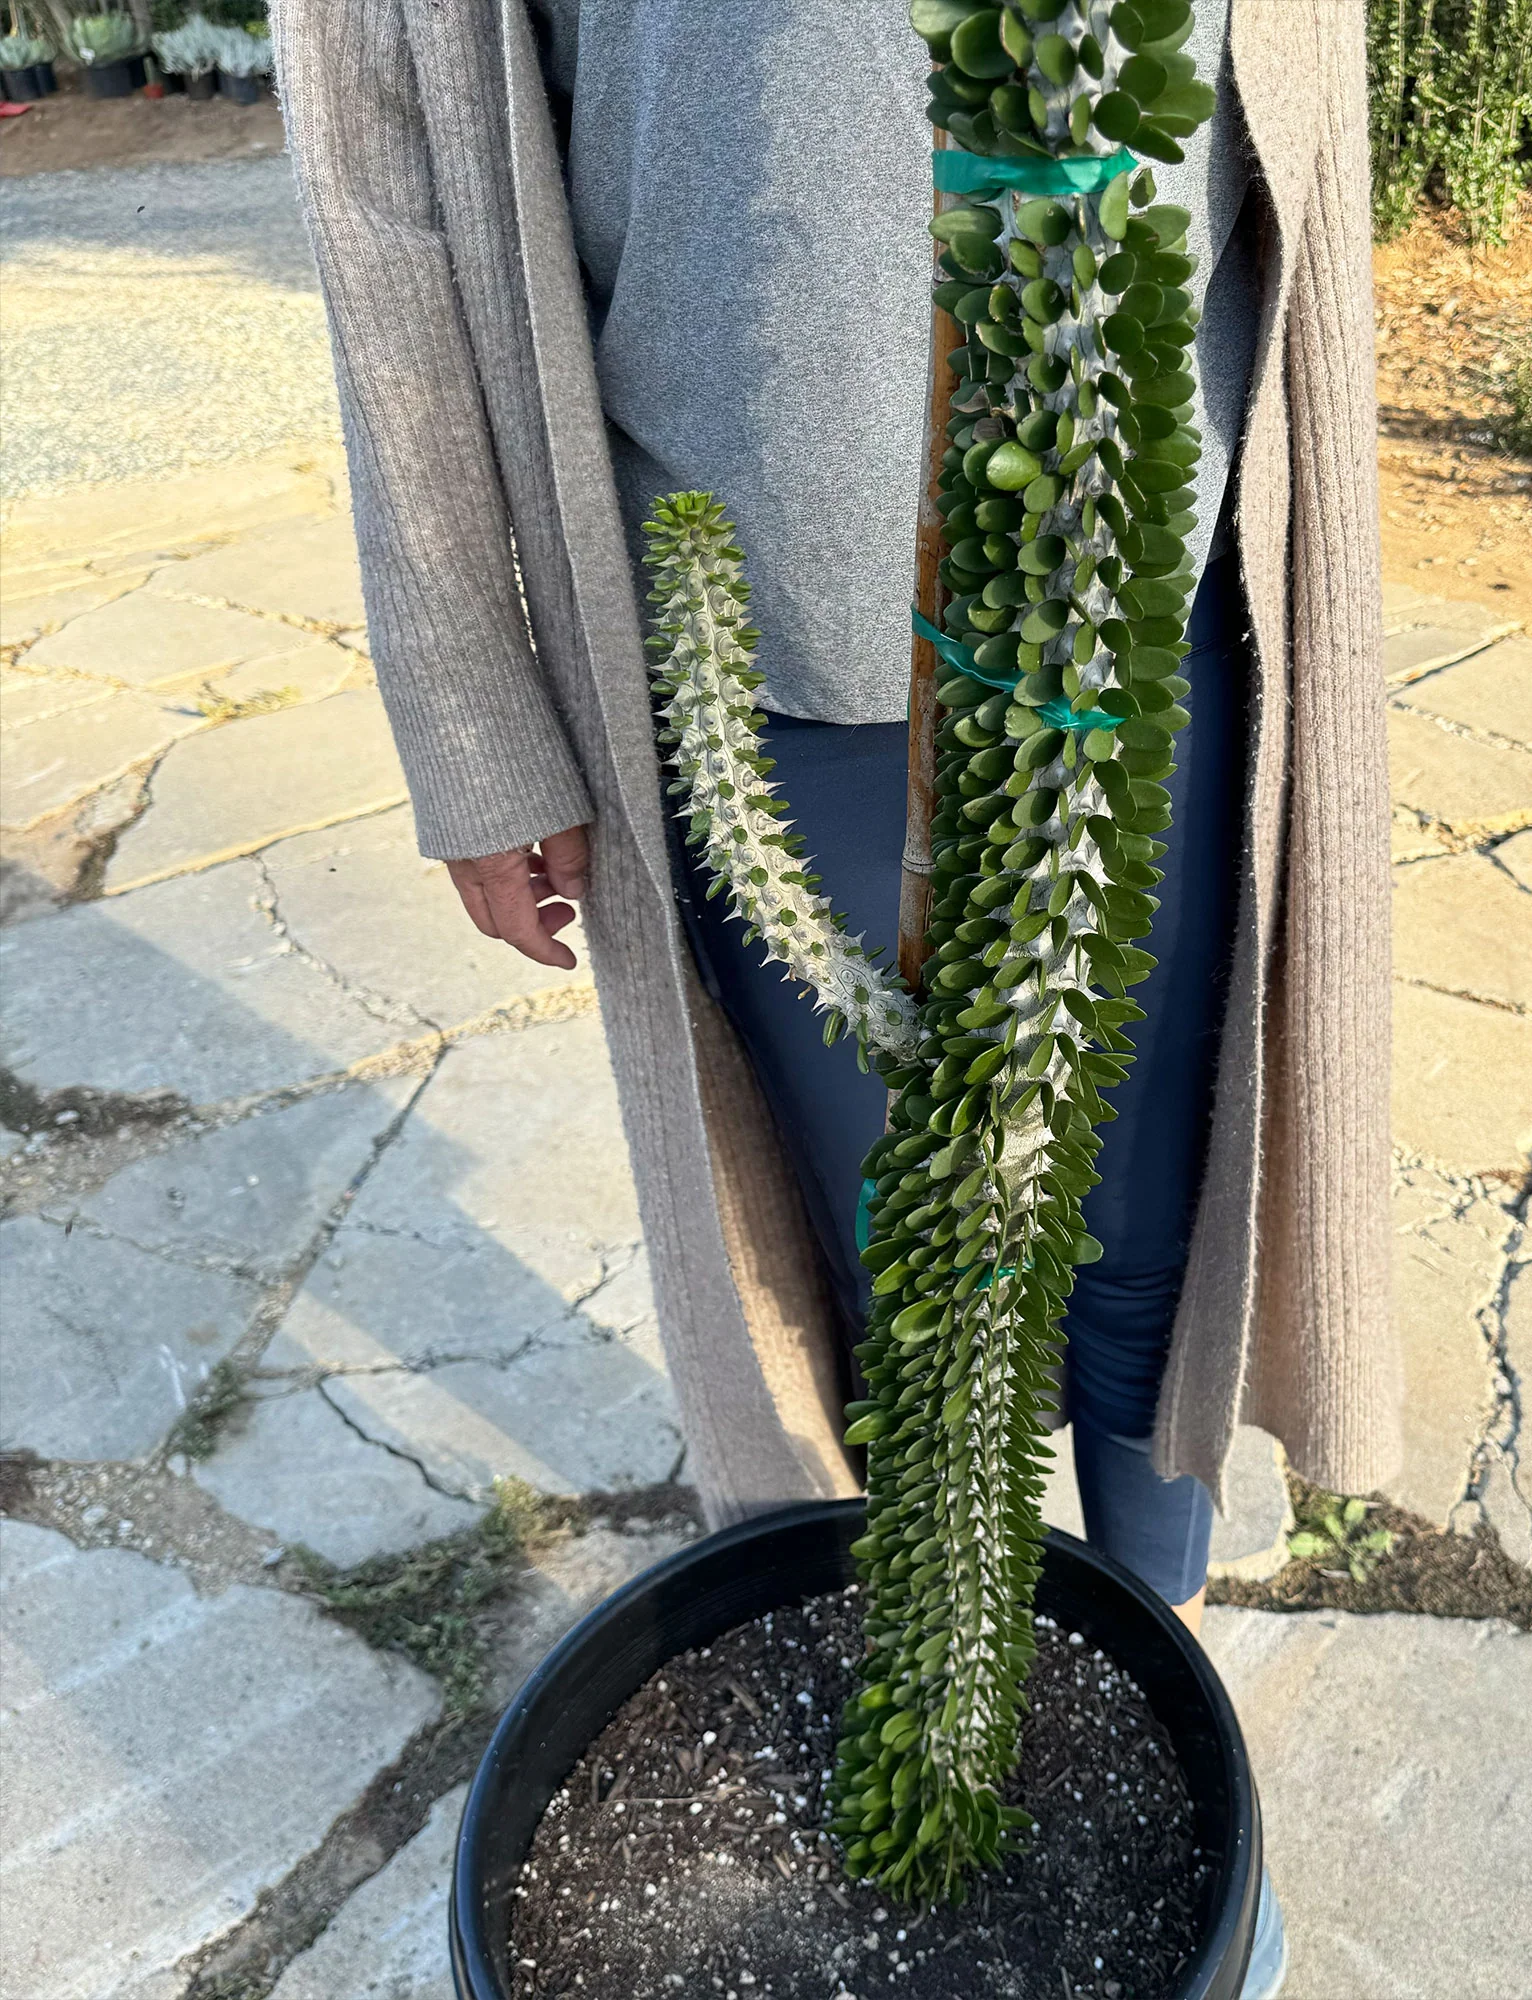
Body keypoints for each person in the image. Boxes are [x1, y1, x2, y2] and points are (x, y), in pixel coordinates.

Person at [273, 3, 1400, 1986]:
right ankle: (939, 1736)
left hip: (1143, 526)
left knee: (1141, 1239)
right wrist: (468, 699)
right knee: (898, 1280)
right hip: (763, 576)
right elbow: (383, 168)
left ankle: (1153, 1700)